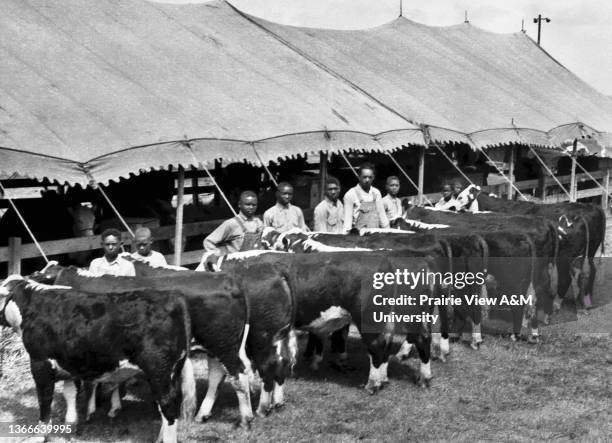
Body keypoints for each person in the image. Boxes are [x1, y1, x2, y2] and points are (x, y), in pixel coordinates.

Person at [342, 163, 389, 233]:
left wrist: (388, 233)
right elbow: (347, 224)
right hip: (359, 237)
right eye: (364, 177)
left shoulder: (376, 193)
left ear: (373, 177)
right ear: (359, 177)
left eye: (370, 177)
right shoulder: (350, 194)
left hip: (376, 237)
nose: (367, 180)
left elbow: (383, 219)